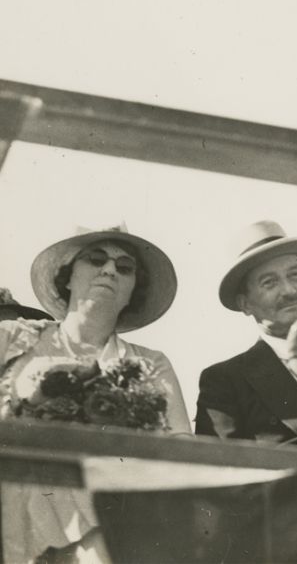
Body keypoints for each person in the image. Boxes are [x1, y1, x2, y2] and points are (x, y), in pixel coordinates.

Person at [0, 225, 191, 563]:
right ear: (68, 277)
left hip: (113, 509)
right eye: (96, 259)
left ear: (133, 290)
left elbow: (181, 448)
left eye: (124, 267)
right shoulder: (12, 338)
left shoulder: (149, 363)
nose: (109, 270)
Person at [195, 219, 297, 447]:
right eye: (270, 283)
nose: (289, 290)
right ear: (245, 304)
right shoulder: (224, 382)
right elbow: (223, 468)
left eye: (295, 275)